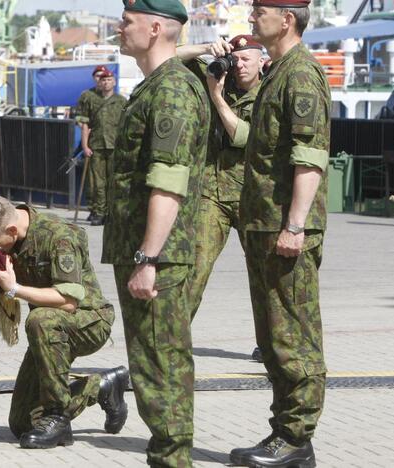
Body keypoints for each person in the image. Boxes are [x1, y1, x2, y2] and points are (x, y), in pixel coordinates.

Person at [102, 1, 209, 466]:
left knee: (161, 368)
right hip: (145, 252)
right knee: (150, 366)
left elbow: (169, 182)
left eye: (127, 22)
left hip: (158, 258)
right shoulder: (154, 87)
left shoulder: (171, 93)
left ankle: (172, 459)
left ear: (156, 27)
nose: (119, 29)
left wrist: (148, 258)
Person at [232, 1, 331, 467]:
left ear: (286, 19)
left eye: (259, 11)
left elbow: (310, 157)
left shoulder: (301, 74)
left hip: (284, 231)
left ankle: (296, 437)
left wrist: (295, 225)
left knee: (294, 337)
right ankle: (284, 434)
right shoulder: (277, 72)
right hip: (263, 228)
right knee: (273, 338)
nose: (252, 19)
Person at [0, 195, 129, 450]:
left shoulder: (58, 236)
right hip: (48, 331)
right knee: (22, 423)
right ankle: (101, 386)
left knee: (39, 318)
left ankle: (57, 417)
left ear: (10, 229)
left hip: (88, 322)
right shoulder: (11, 238)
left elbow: (67, 301)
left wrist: (14, 289)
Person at [178, 35, 266, 361]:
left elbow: (242, 136)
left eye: (246, 59)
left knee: (262, 273)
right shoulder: (218, 76)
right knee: (194, 266)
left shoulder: (270, 93)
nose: (239, 65)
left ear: (261, 61)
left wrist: (217, 98)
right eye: (236, 58)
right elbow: (168, 59)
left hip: (252, 196)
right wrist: (206, 50)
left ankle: (268, 343)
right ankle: (173, 338)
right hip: (210, 193)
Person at [81, 69, 127, 226]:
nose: (106, 82)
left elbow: (126, 125)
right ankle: (99, 212)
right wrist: (85, 145)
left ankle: (111, 212)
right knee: (97, 182)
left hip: (115, 146)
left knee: (113, 181)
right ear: (99, 83)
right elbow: (85, 124)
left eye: (109, 80)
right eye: (103, 80)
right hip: (97, 145)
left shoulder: (121, 101)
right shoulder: (92, 99)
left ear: (114, 82)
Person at [75, 65, 108, 224]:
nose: (100, 80)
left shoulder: (111, 97)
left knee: (105, 181)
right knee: (94, 182)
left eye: (104, 77)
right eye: (98, 76)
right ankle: (95, 209)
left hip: (109, 143)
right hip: (93, 140)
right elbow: (81, 120)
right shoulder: (87, 96)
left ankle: (101, 210)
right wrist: (85, 141)